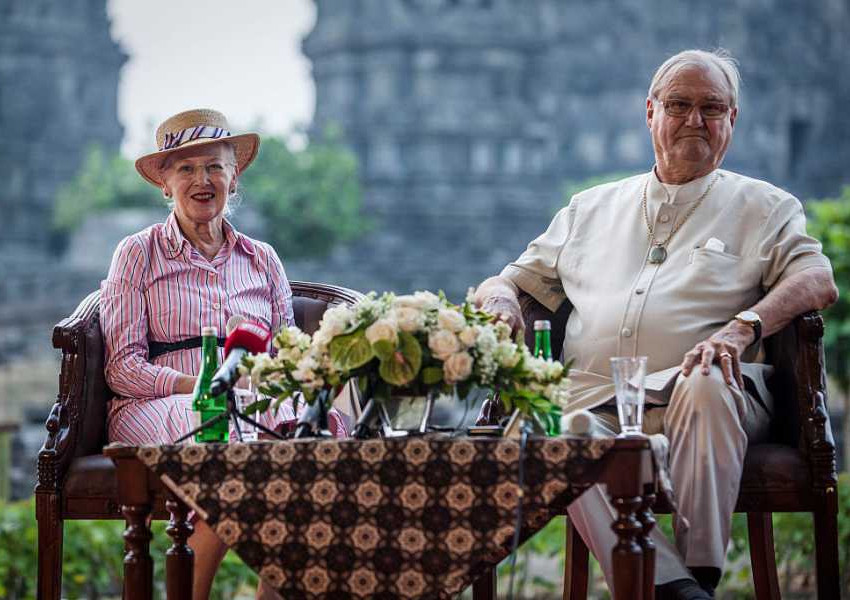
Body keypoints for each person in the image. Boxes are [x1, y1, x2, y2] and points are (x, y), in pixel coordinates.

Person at [474, 50, 838, 599]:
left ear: (732, 121)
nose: (696, 120)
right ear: (651, 113)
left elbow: (818, 279)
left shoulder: (766, 207)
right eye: (679, 105)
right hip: (595, 400)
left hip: (712, 395)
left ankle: (701, 570)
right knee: (559, 432)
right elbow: (507, 281)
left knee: (707, 380)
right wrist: (500, 300)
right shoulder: (588, 209)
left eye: (712, 108)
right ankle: (677, 589)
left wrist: (741, 329)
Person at [101, 108, 346, 600]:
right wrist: (200, 385)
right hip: (158, 403)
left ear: (234, 180)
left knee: (307, 439)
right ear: (164, 184)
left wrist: (280, 379)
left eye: (214, 166)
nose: (202, 179)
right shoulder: (138, 253)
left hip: (249, 399)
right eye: (186, 168)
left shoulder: (262, 259)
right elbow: (121, 368)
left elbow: (288, 358)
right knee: (226, 439)